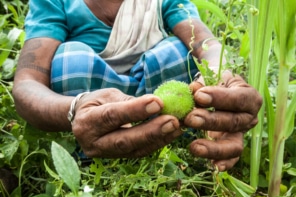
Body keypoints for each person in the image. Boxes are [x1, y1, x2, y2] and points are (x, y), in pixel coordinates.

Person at [12, 0, 262, 172]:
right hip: (94, 107)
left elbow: (208, 47)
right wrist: (75, 108)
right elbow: (27, 84)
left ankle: (180, 148)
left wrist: (224, 82)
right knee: (71, 60)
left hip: (160, 106)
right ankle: (88, 162)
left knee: (179, 52)